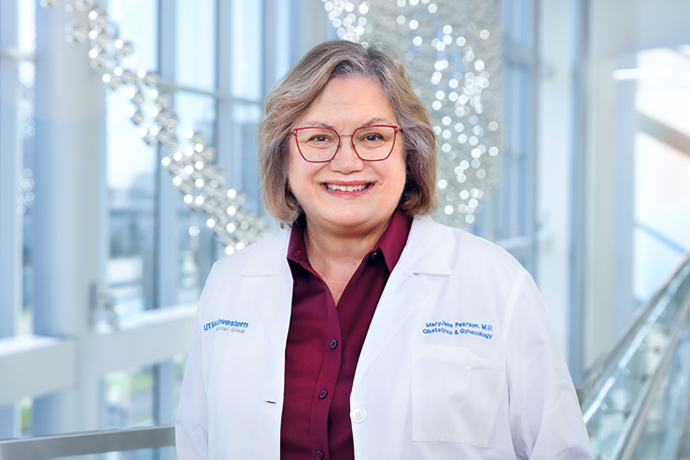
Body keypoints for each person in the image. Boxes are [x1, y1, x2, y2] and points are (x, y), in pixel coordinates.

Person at [175, 40, 593, 460]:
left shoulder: (497, 283)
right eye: (319, 138)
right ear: (284, 159)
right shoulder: (228, 284)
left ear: (409, 154)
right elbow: (196, 442)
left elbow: (560, 451)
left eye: (372, 136)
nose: (347, 162)